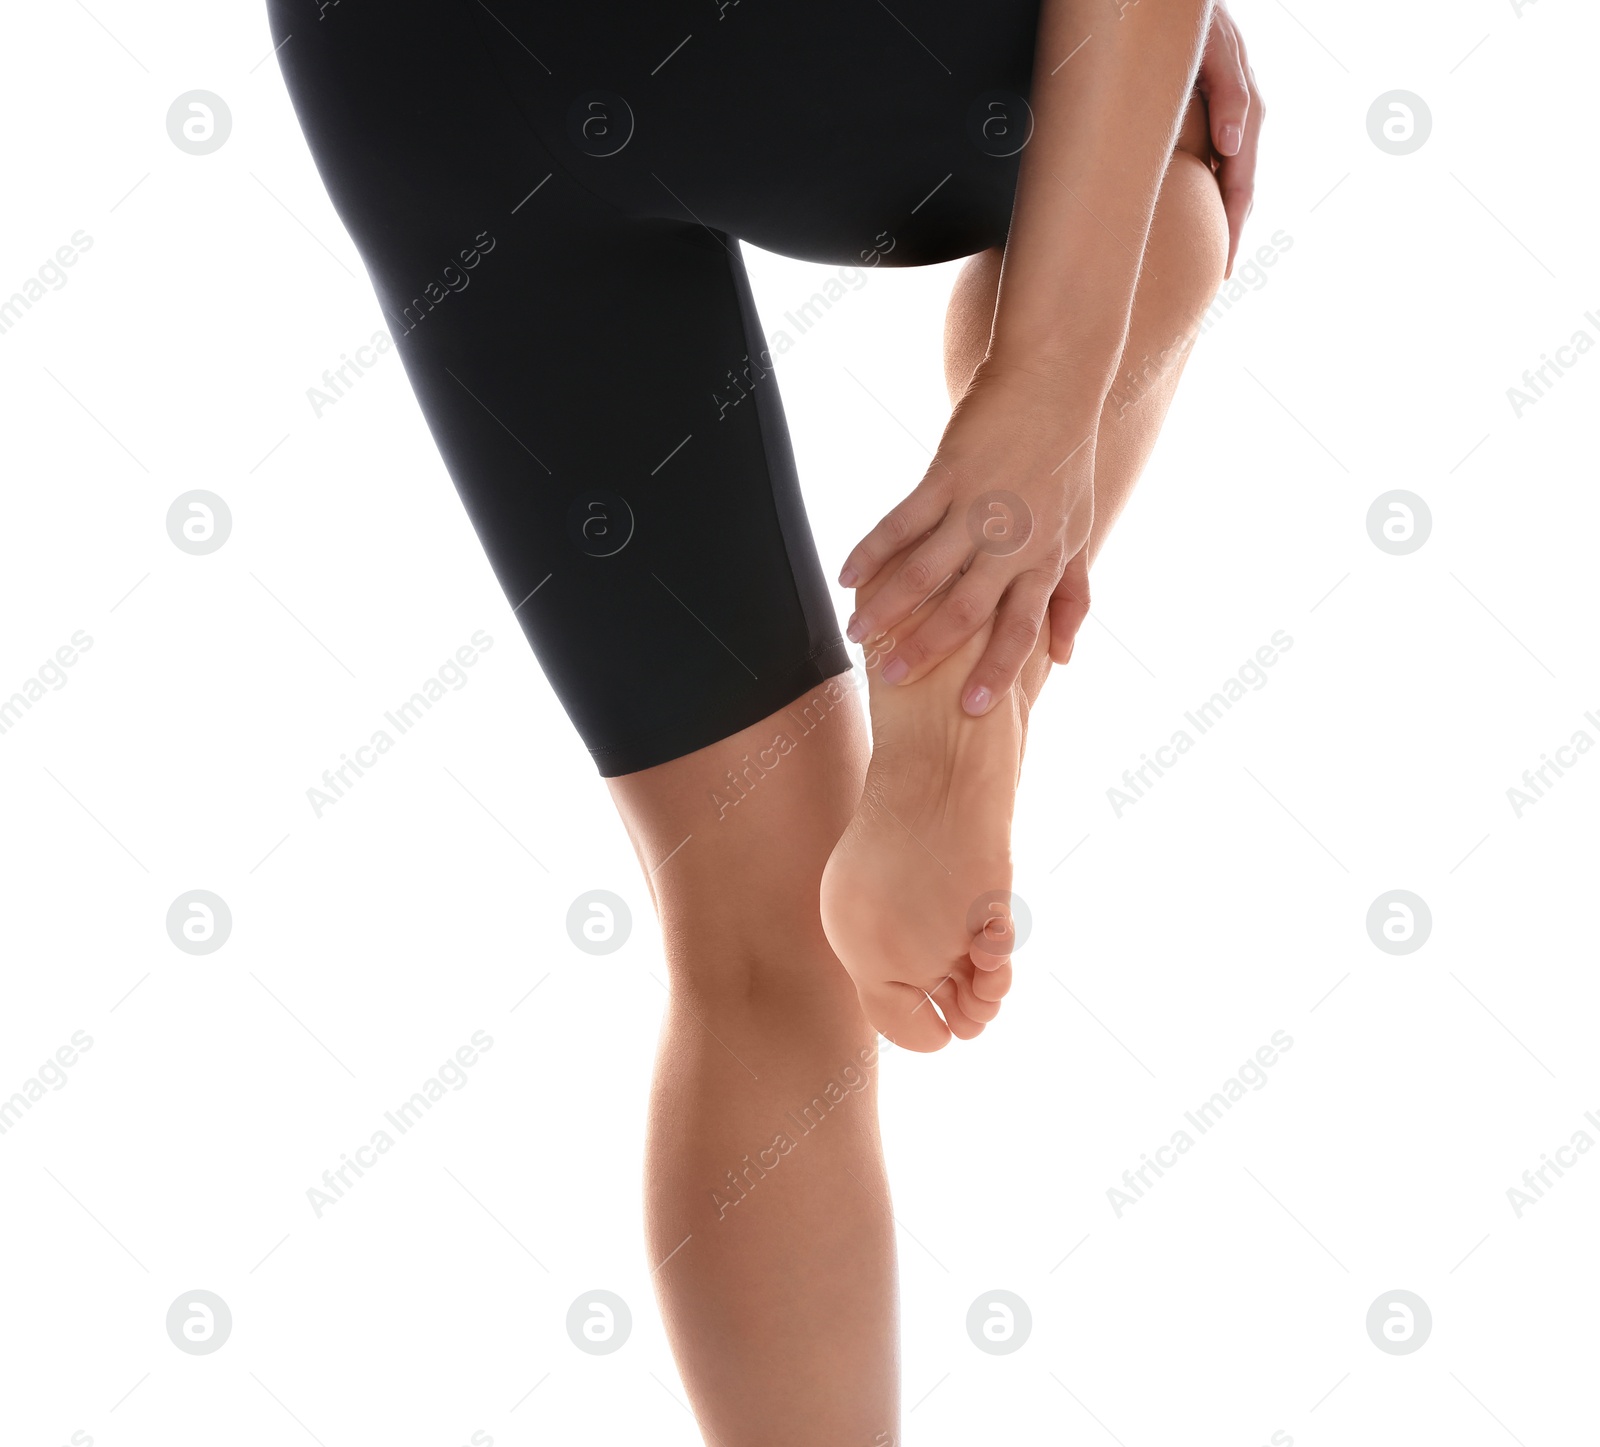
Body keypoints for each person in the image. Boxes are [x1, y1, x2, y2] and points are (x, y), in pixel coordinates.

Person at [268, 0, 1262, 1437]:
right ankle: (972, 664)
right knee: (1154, 126)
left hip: (412, 74)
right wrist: (1041, 405)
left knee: (754, 948)